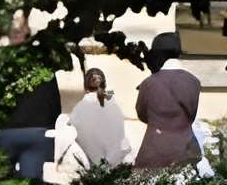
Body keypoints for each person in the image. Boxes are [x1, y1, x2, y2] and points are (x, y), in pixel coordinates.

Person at [133, 35, 204, 171]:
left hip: (154, 149)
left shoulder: (148, 83)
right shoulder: (193, 81)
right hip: (186, 148)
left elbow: (141, 114)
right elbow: (192, 116)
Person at [0, 73, 64, 183]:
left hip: (7, 130)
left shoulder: (5, 68)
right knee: (31, 184)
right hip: (39, 132)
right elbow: (56, 107)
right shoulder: (46, 73)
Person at [64, 66, 131, 172]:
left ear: (86, 87)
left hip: (93, 164)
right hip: (116, 161)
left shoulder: (81, 107)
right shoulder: (114, 106)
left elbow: (70, 128)